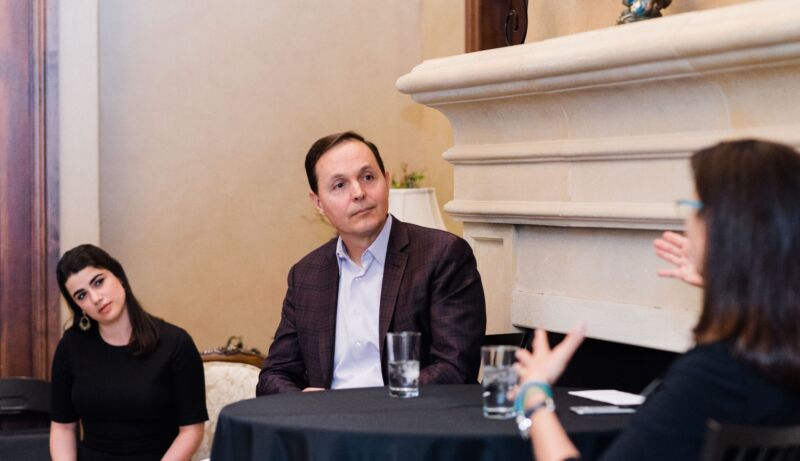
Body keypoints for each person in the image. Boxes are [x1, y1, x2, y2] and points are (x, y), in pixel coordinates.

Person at [513, 139, 800, 461]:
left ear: (720, 228)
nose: (685, 224)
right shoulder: (779, 361)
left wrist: (535, 394)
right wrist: (727, 279)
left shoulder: (712, 377)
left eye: (691, 208)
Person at [256, 131, 486, 395]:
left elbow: (454, 367)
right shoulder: (306, 274)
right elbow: (275, 374)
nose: (358, 193)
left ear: (386, 181)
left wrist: (372, 409)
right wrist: (305, 403)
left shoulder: (442, 255)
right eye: (339, 185)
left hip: (409, 423)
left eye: (368, 177)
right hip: (326, 426)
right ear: (318, 202)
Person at [50, 244, 208, 461]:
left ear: (118, 275)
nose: (95, 298)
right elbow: (63, 428)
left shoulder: (175, 343)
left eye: (98, 282)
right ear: (78, 307)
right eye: (81, 295)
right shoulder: (70, 346)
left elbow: (191, 430)